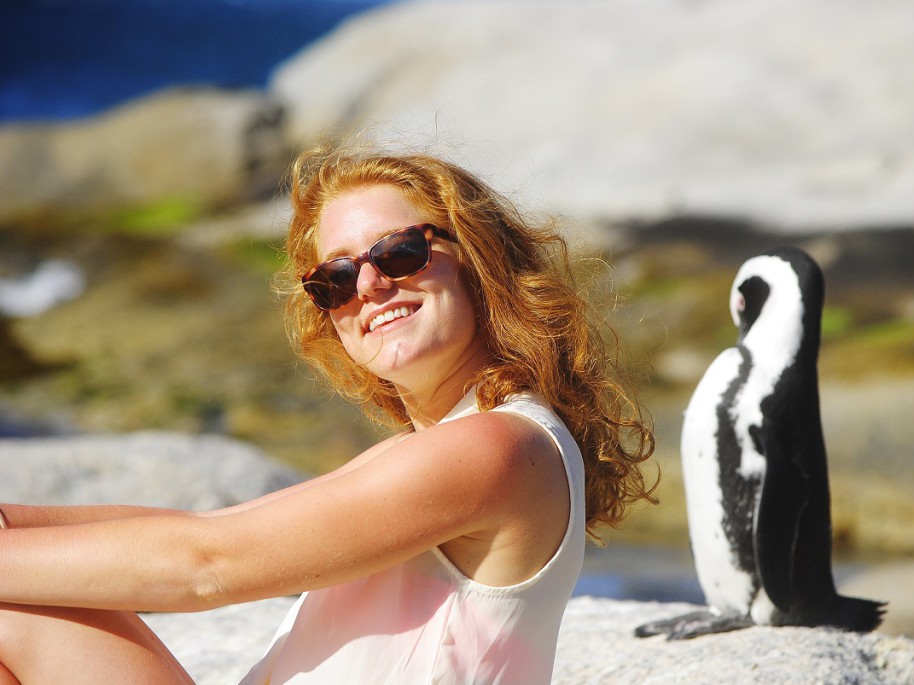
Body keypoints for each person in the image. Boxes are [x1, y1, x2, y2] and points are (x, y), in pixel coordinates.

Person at [0, 142, 657, 684]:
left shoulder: (496, 447)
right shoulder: (439, 444)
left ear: (478, 259)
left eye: (401, 252)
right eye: (335, 281)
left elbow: (208, 564)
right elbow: (215, 524)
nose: (369, 286)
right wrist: (14, 520)